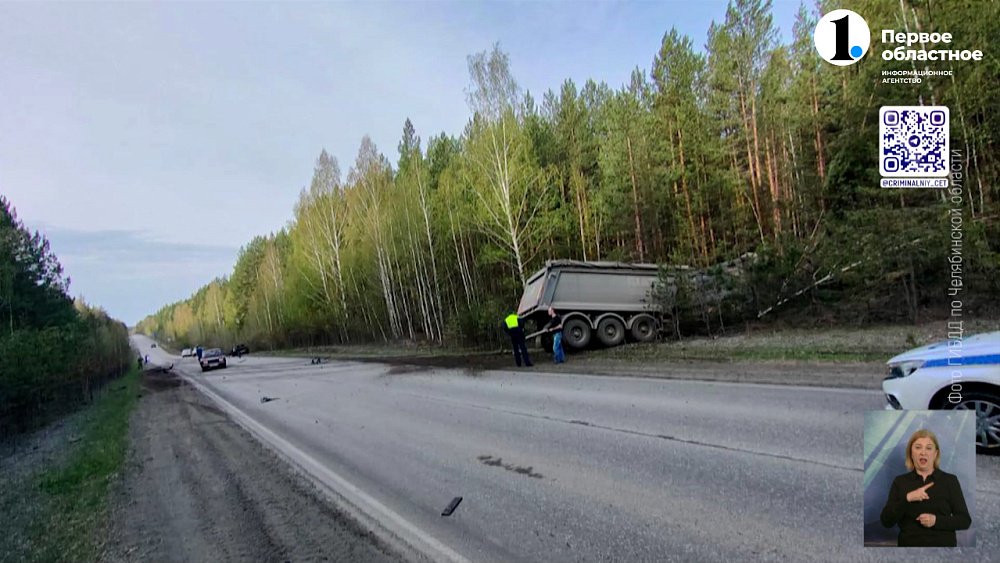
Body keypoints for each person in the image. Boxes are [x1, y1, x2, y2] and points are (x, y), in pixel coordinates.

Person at [879, 429, 971, 547]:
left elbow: (965, 520)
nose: (923, 452)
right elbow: (886, 521)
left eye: (928, 448)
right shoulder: (900, 482)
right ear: (911, 453)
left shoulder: (950, 481)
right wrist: (907, 498)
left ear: (935, 453)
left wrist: (936, 521)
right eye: (918, 447)